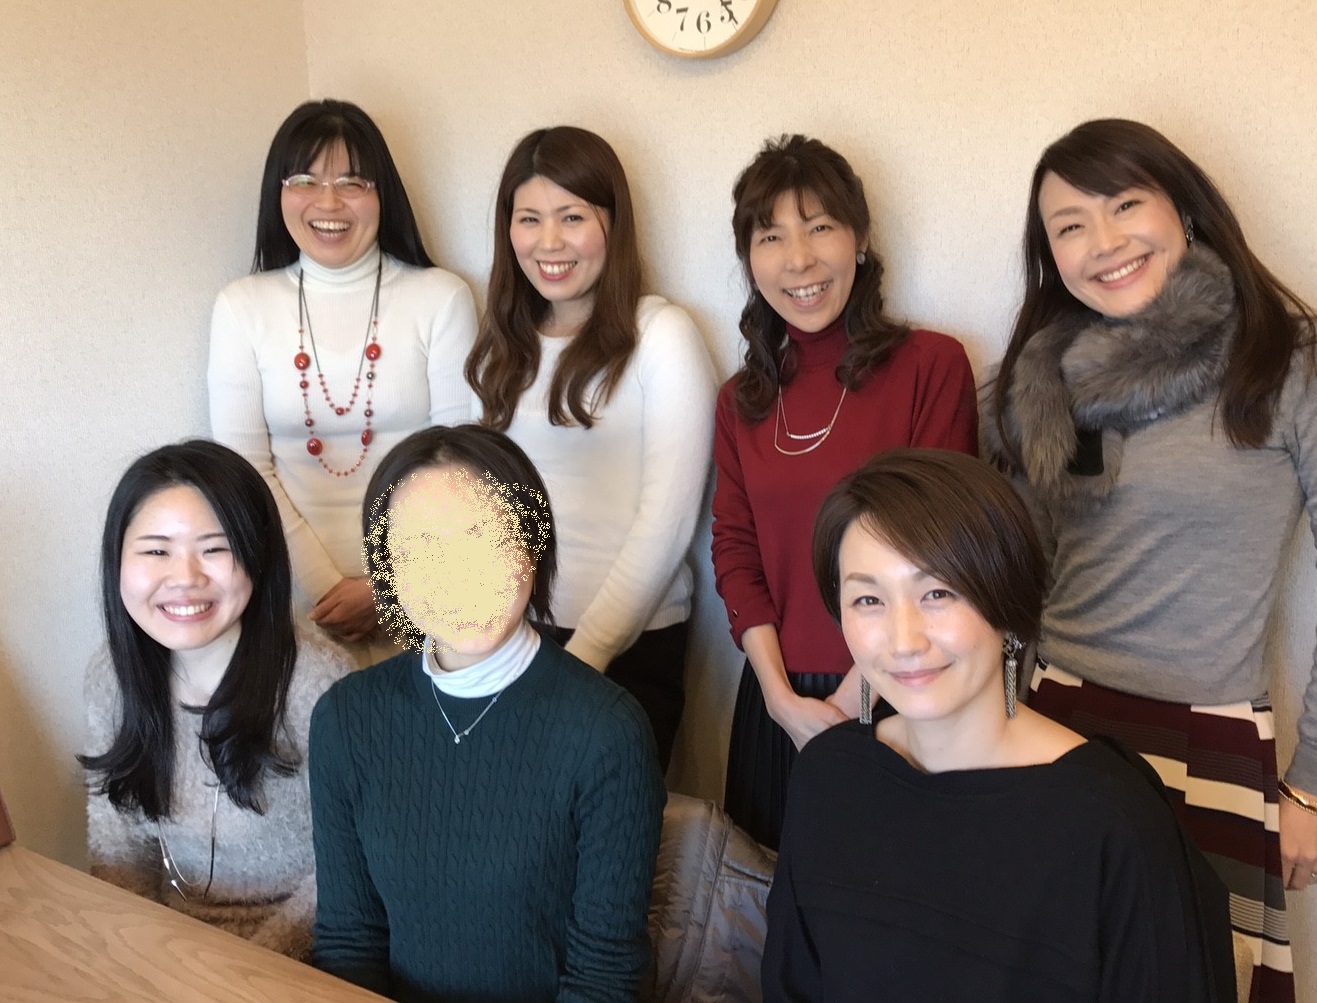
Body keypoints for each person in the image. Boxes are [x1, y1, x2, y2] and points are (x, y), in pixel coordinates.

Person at [983, 117, 1317, 1001]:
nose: (1103, 241)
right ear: (1050, 257)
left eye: (1125, 204)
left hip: (1208, 734)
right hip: (1051, 720)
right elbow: (1011, 581)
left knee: (1207, 979)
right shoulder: (1038, 383)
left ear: (1184, 210)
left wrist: (1309, 786)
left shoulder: (1282, 361)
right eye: (1069, 226)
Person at [763, 448, 1232, 1002]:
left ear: (1006, 605)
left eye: (938, 593)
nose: (904, 640)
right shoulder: (827, 778)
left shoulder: (1113, 825)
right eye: (868, 599)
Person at [309, 424, 666, 1002]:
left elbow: (603, 978)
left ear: (531, 542)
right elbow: (349, 943)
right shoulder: (345, 719)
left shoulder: (607, 731)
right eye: (422, 548)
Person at [711, 134, 978, 848]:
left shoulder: (931, 365)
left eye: (820, 226)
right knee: (767, 898)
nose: (797, 260)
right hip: (776, 699)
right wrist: (779, 698)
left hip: (904, 686)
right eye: (771, 237)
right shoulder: (740, 400)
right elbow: (734, 548)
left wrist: (854, 696)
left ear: (859, 240)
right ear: (749, 259)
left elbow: (945, 545)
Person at [465, 126, 715, 771]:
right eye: (529, 219)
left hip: (625, 649)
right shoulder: (502, 347)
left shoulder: (661, 335)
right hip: (507, 640)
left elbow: (668, 521)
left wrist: (585, 658)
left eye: (572, 217)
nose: (549, 242)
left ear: (613, 223)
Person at [209, 98, 477, 666]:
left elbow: (460, 463)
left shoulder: (441, 298)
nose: (328, 202)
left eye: (352, 182)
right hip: (293, 595)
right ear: (278, 193)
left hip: (427, 585)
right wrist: (327, 591)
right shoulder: (242, 307)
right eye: (304, 180)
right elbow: (245, 469)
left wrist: (390, 588)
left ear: (383, 195)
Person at [81, 440, 353, 960]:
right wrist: (141, 956)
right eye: (156, 551)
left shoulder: (321, 687)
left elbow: (343, 871)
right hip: (169, 949)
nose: (185, 578)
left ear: (258, 557)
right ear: (117, 560)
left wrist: (236, 974)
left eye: (215, 548)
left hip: (299, 957)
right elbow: (118, 851)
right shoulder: (111, 678)